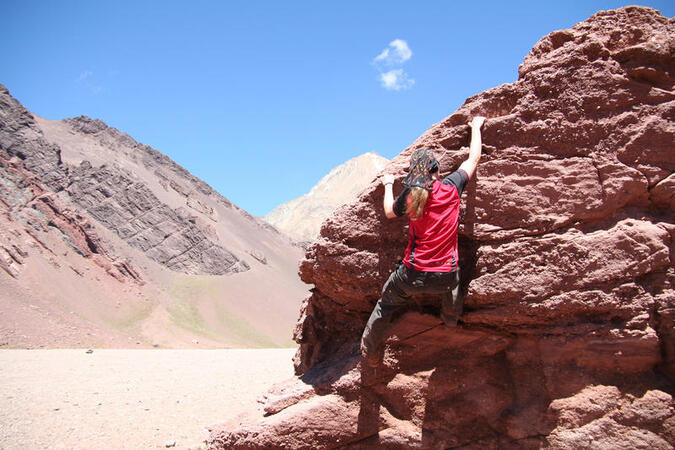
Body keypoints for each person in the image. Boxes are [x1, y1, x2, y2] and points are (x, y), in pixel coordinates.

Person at [360, 116, 486, 367]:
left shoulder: (411, 195)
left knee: (385, 307)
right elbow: (473, 159)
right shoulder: (452, 188)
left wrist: (387, 185)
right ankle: (450, 319)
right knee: (455, 275)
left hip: (412, 274)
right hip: (444, 277)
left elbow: (388, 213)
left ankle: (370, 353)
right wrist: (475, 128)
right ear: (437, 171)